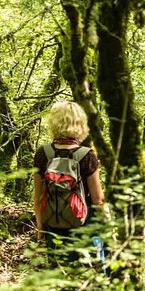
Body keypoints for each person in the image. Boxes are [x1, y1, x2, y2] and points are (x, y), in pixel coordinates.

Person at [33, 101, 105, 258]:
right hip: (82, 225)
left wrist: (40, 227)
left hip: (52, 224)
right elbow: (98, 200)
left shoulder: (43, 153)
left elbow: (38, 197)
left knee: (56, 273)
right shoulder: (87, 155)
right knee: (81, 275)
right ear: (80, 124)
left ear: (53, 123)